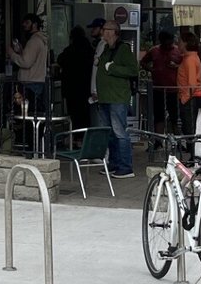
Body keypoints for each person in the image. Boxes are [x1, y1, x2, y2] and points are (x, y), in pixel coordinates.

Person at [94, 20, 140, 177]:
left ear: (113, 31)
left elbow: (133, 70)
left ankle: (125, 166)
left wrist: (111, 68)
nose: (102, 32)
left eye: (105, 29)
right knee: (111, 133)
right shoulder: (107, 48)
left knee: (120, 132)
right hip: (105, 98)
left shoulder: (123, 49)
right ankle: (114, 164)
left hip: (117, 98)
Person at [8, 13, 51, 119]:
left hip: (30, 83)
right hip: (38, 82)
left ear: (35, 24)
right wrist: (21, 52)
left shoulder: (34, 41)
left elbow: (26, 62)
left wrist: (11, 53)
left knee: (27, 114)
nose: (24, 25)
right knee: (35, 114)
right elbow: (32, 59)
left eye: (27, 23)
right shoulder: (41, 40)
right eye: (24, 22)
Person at [56, 23, 97, 131]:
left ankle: (75, 136)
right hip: (86, 86)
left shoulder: (70, 50)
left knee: (74, 114)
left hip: (71, 87)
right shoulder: (90, 49)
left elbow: (60, 60)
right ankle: (84, 137)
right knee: (85, 113)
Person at [139, 30, 181, 133]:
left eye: (170, 43)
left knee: (174, 116)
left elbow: (183, 66)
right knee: (158, 116)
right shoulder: (154, 51)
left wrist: (176, 67)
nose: (168, 46)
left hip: (173, 89)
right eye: (166, 43)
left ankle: (177, 139)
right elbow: (143, 62)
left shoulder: (177, 51)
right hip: (158, 87)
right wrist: (152, 70)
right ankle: (158, 140)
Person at [175, 31, 201, 135]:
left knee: (189, 128)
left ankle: (192, 150)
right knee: (189, 127)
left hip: (189, 98)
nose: (177, 43)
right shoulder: (191, 58)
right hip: (191, 97)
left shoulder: (190, 60)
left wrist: (184, 99)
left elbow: (191, 83)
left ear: (186, 43)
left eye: (180, 41)